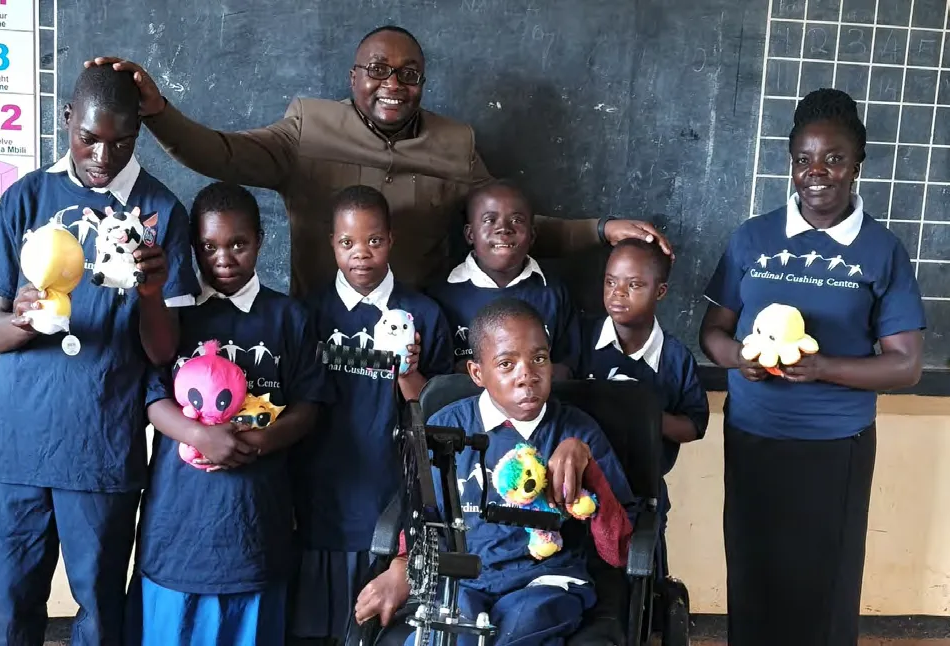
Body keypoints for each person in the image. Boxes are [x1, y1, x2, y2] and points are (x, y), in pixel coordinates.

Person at [83, 25, 672, 298]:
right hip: (321, 331)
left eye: (409, 74)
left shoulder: (455, 144)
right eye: (378, 70)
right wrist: (160, 112)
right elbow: (223, 154)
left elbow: (509, 230)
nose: (393, 84)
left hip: (414, 338)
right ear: (353, 78)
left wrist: (599, 229)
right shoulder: (308, 127)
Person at [0, 65, 199, 645]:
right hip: (19, 445)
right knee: (8, 603)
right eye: (89, 137)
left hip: (102, 448)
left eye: (121, 141)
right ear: (67, 119)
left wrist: (151, 293)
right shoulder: (27, 198)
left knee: (98, 604)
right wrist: (22, 318)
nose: (102, 155)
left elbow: (163, 351)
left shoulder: (160, 211)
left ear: (138, 133)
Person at [700, 88, 925, 645]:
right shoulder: (753, 237)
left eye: (834, 159)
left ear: (857, 165)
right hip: (753, 435)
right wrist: (740, 359)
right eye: (804, 159)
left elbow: (906, 366)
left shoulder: (881, 251)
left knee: (825, 586)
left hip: (835, 446)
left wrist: (823, 366)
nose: (816, 172)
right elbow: (713, 334)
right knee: (753, 574)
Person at [353, 298, 634, 646]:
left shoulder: (577, 432)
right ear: (477, 373)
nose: (527, 376)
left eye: (539, 359)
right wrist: (401, 568)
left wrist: (587, 465)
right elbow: (422, 515)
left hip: (544, 580)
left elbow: (619, 551)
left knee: (524, 624)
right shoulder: (445, 426)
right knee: (445, 633)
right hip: (462, 579)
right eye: (506, 364)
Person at [129, 182, 330, 645]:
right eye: (208, 247)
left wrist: (258, 442)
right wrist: (200, 436)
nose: (223, 258)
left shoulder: (289, 317)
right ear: (192, 246)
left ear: (261, 240)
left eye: (238, 244)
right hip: (179, 522)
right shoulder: (172, 316)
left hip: (255, 522)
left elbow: (309, 405)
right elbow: (153, 397)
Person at [290, 185, 454, 644]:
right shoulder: (307, 313)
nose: (361, 253)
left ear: (391, 240)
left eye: (374, 241)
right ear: (331, 243)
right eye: (347, 242)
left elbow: (437, 415)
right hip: (320, 493)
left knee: (372, 629)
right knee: (314, 629)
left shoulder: (422, 314)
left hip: (388, 496)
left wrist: (409, 372)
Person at [578, 239, 708, 577]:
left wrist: (643, 416)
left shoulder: (675, 358)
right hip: (581, 485)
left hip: (643, 491)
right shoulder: (581, 339)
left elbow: (694, 425)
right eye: (610, 282)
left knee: (643, 577)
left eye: (634, 285)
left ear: (660, 291)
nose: (618, 293)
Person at [427, 180, 580, 379]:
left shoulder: (552, 292)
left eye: (516, 220)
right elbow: (439, 378)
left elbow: (566, 369)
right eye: (490, 220)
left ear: (532, 235)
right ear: (470, 234)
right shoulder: (441, 296)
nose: (503, 229)